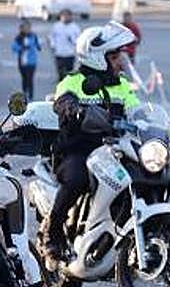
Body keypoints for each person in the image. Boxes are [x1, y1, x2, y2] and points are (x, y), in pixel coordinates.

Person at [42, 23, 141, 260]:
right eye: (116, 56)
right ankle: (52, 234)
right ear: (99, 57)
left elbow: (139, 113)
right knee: (76, 179)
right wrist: (73, 109)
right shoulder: (72, 82)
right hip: (78, 152)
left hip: (114, 152)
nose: (121, 62)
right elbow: (62, 102)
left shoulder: (123, 85)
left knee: (143, 176)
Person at [11, 20, 40, 97]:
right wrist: (21, 48)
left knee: (30, 78)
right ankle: (24, 93)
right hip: (22, 62)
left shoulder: (34, 36)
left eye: (29, 27)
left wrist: (37, 47)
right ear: (22, 28)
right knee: (24, 78)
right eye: (25, 27)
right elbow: (14, 48)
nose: (27, 29)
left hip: (32, 62)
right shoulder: (18, 37)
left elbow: (38, 46)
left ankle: (31, 95)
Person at [50, 9, 80, 80]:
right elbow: (51, 36)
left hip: (69, 53)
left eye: (67, 16)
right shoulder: (56, 26)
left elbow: (79, 40)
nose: (65, 17)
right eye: (63, 16)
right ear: (60, 16)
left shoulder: (75, 27)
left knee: (69, 72)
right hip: (59, 53)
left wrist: (72, 40)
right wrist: (53, 45)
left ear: (70, 17)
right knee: (60, 72)